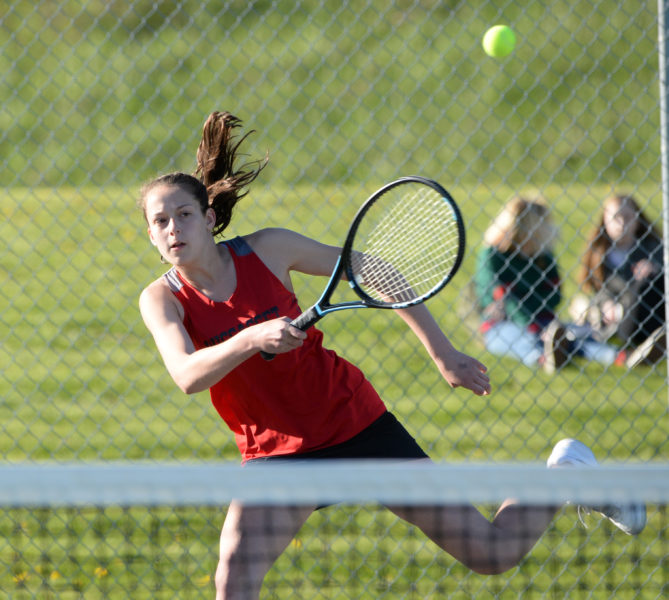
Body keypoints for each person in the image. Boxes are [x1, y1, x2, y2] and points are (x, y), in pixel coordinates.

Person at [138, 112, 645, 600]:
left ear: (208, 218)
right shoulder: (160, 299)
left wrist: (443, 353)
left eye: (183, 215)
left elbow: (374, 271)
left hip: (356, 425)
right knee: (233, 584)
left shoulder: (268, 250)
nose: (173, 228)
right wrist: (252, 338)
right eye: (160, 221)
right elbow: (186, 374)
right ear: (152, 235)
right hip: (276, 457)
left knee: (492, 552)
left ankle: (565, 475)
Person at [474, 196, 626, 374]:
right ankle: (545, 359)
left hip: (544, 320)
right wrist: (533, 325)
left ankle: (618, 356)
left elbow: (554, 295)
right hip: (501, 325)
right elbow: (502, 300)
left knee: (569, 336)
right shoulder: (493, 256)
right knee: (522, 339)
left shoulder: (542, 256)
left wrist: (542, 323)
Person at [571, 193, 665, 367]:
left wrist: (655, 269)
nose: (622, 224)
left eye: (628, 217)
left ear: (637, 220)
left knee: (649, 284)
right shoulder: (600, 254)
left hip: (649, 310)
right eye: (615, 218)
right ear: (604, 220)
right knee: (581, 309)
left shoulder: (654, 248)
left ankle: (656, 341)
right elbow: (599, 289)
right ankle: (634, 351)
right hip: (616, 316)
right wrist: (606, 304)